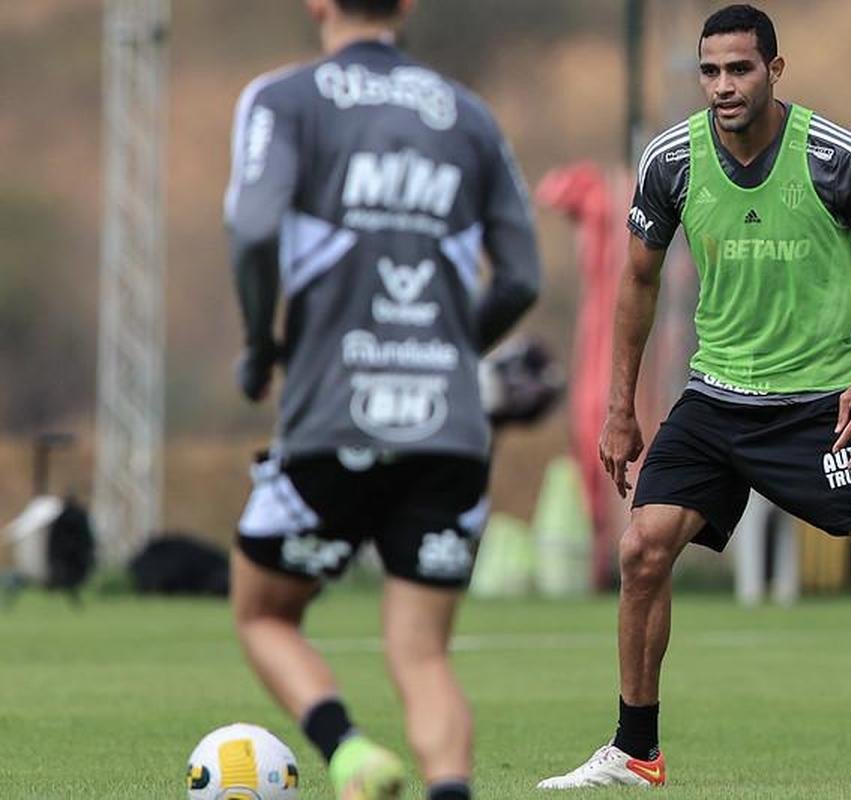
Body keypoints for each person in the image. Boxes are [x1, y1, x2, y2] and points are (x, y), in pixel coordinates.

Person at [537, 4, 851, 791]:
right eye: (710, 71)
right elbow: (637, 278)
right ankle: (636, 751)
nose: (723, 86)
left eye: (739, 69)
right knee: (641, 550)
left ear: (774, 69)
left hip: (818, 403)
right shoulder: (670, 161)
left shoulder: (835, 158)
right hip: (717, 397)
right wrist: (620, 408)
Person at [224, 0, 540, 798]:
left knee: (264, 612)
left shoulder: (283, 99)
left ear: (317, 3)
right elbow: (523, 277)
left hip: (335, 412)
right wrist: (449, 346)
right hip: (450, 428)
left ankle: (349, 753)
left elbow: (255, 229)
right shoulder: (468, 114)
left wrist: (263, 345)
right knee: (423, 653)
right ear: (405, 6)